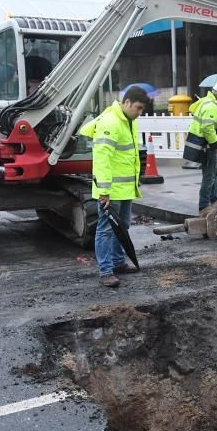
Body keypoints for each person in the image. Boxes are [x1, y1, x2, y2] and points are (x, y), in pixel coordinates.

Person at [78, 85, 149, 288]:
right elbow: (102, 160)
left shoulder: (128, 121)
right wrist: (104, 192)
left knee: (122, 228)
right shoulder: (110, 123)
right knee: (106, 230)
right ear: (126, 103)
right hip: (110, 191)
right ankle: (105, 271)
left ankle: (118, 263)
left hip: (125, 189)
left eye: (141, 109)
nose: (139, 112)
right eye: (138, 108)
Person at [186, 79, 217, 212]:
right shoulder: (211, 106)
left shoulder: (208, 103)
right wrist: (214, 143)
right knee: (209, 176)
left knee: (213, 173)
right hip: (207, 146)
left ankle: (214, 199)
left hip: (204, 145)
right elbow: (207, 128)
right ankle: (204, 206)